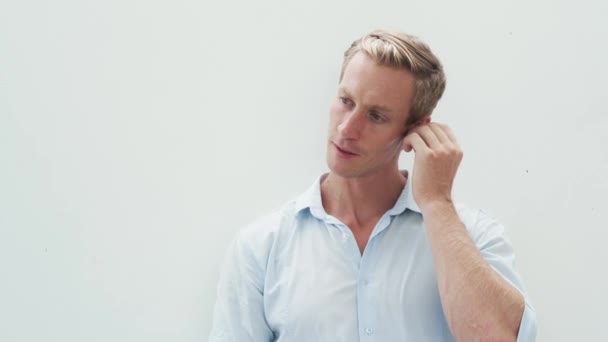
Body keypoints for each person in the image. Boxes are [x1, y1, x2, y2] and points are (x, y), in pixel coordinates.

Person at [209, 29, 537, 341]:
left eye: (376, 116)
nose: (347, 128)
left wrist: (437, 203)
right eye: (346, 101)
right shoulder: (261, 248)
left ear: (416, 130)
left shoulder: (474, 236)